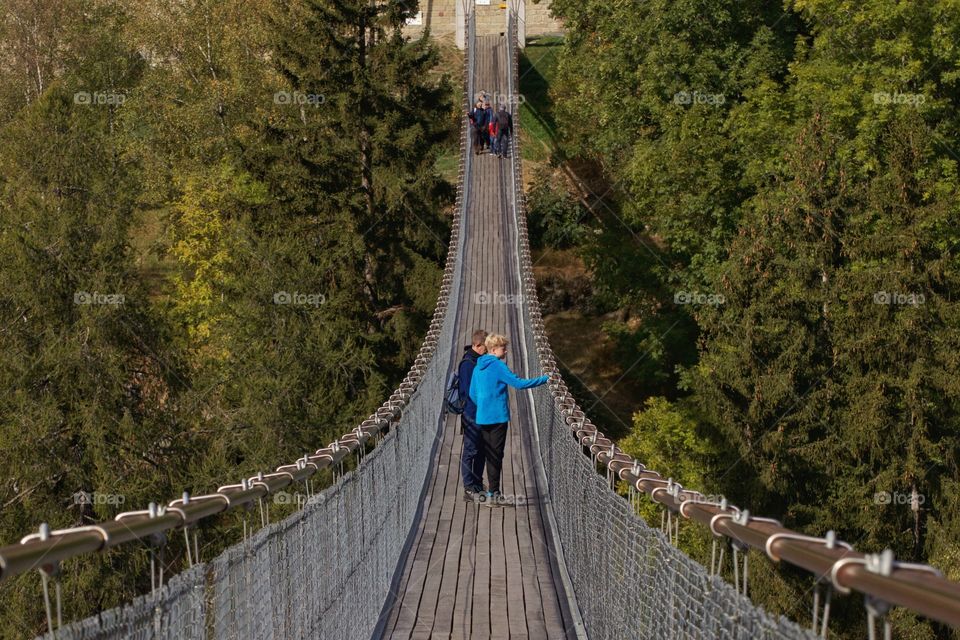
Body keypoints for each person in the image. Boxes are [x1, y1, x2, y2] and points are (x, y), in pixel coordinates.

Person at [469, 334, 549, 506]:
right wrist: (545, 379)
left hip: (483, 417)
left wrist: (483, 405)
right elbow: (519, 384)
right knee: (496, 456)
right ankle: (493, 494)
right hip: (498, 417)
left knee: (490, 455)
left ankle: (493, 493)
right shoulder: (498, 366)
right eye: (503, 347)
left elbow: (472, 393)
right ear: (494, 349)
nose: (506, 350)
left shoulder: (478, 367)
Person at [458, 330, 488, 501]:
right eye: (486, 347)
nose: (488, 350)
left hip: (481, 414)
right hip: (471, 414)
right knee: (471, 450)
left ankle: (477, 483)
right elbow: (470, 391)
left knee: (482, 450)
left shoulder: (478, 360)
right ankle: (468, 487)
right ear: (477, 345)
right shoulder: (468, 364)